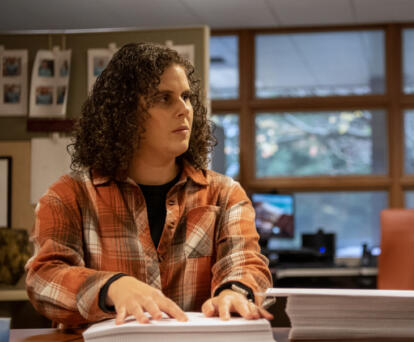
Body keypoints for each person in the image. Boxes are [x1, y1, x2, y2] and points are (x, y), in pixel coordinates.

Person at [25, 42, 273, 328]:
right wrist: (111, 288)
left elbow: (246, 263)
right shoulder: (69, 196)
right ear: (124, 114)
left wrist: (235, 291)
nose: (184, 110)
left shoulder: (224, 194)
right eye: (164, 99)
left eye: (186, 97)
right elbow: (43, 279)